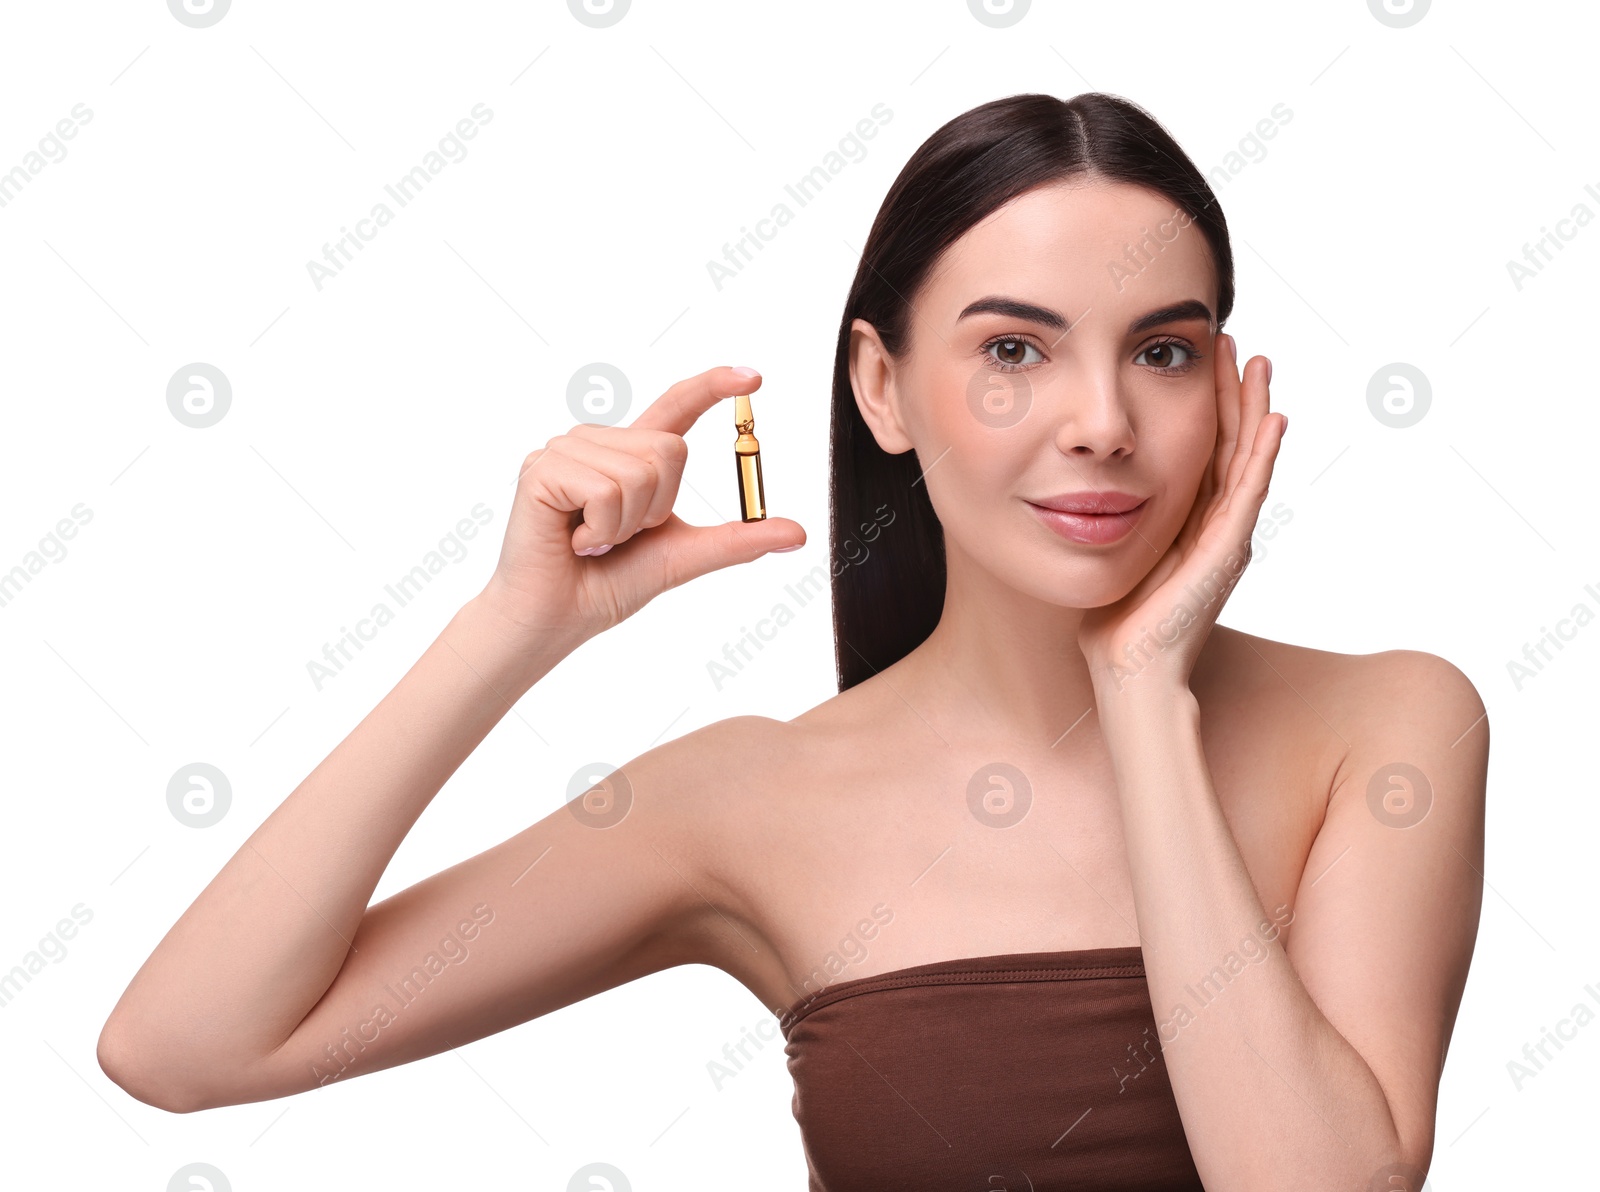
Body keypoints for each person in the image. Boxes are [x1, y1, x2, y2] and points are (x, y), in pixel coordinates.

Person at [97, 92, 1486, 1191]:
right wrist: (513, 629)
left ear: (1230, 392)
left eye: (1164, 352)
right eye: (1015, 350)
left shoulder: (1389, 728)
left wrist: (1141, 695)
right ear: (882, 387)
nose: (1103, 421)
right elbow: (188, 1045)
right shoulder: (746, 799)